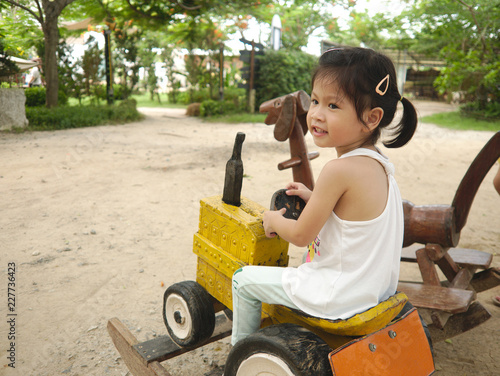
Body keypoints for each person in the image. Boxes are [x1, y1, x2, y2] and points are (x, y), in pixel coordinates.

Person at [231, 47, 418, 345]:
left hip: (338, 297)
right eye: (316, 100)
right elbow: (351, 213)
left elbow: (301, 235)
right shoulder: (380, 165)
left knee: (242, 280)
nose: (316, 114)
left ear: (371, 118)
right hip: (372, 293)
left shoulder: (337, 170)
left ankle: (242, 352)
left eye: (333, 106)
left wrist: (272, 220)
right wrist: (313, 195)